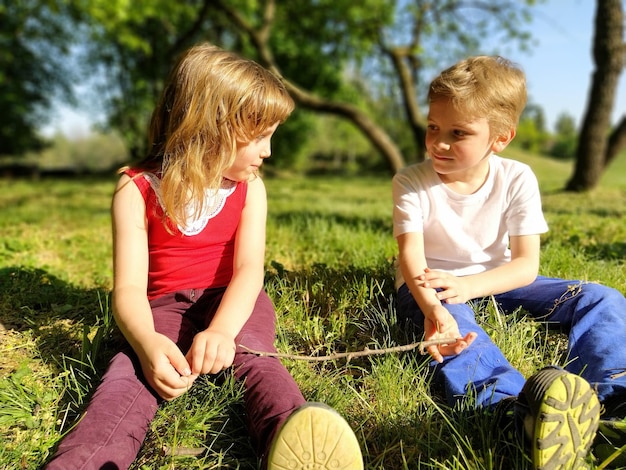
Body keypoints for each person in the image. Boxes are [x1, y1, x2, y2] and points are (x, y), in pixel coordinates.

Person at [46, 43, 363, 470]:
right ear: (211, 126)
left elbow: (250, 271)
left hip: (230, 298)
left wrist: (222, 331)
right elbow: (128, 289)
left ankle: (297, 443)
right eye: (259, 136)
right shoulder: (136, 188)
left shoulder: (251, 188)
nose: (268, 151)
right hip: (161, 307)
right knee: (131, 376)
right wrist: (146, 343)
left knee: (255, 356)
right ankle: (88, 461)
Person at [392, 55, 626, 469]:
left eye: (458, 133)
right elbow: (411, 257)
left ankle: (610, 399)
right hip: (433, 289)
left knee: (601, 299)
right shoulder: (411, 182)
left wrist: (474, 285)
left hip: (497, 281)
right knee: (459, 334)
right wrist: (435, 311)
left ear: (500, 138)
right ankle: (515, 415)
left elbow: (525, 267)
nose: (438, 142)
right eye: (433, 127)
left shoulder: (517, 178)